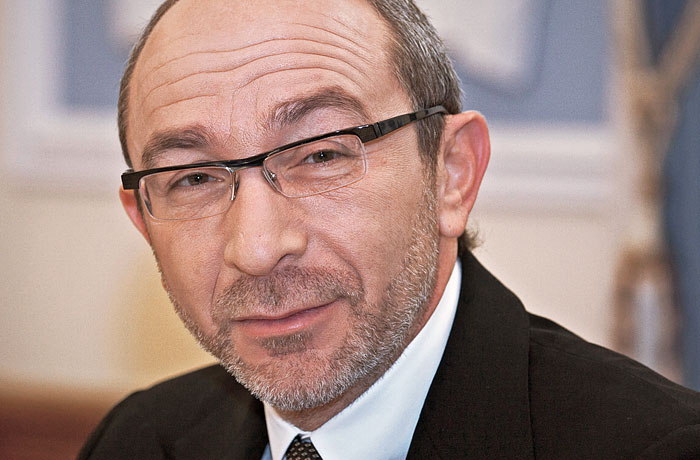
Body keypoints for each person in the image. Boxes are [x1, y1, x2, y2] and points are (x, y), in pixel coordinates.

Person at [78, 0, 700, 458]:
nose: (258, 248)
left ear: (451, 173)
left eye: (321, 154)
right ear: (144, 221)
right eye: (193, 179)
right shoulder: (135, 442)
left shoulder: (656, 447)